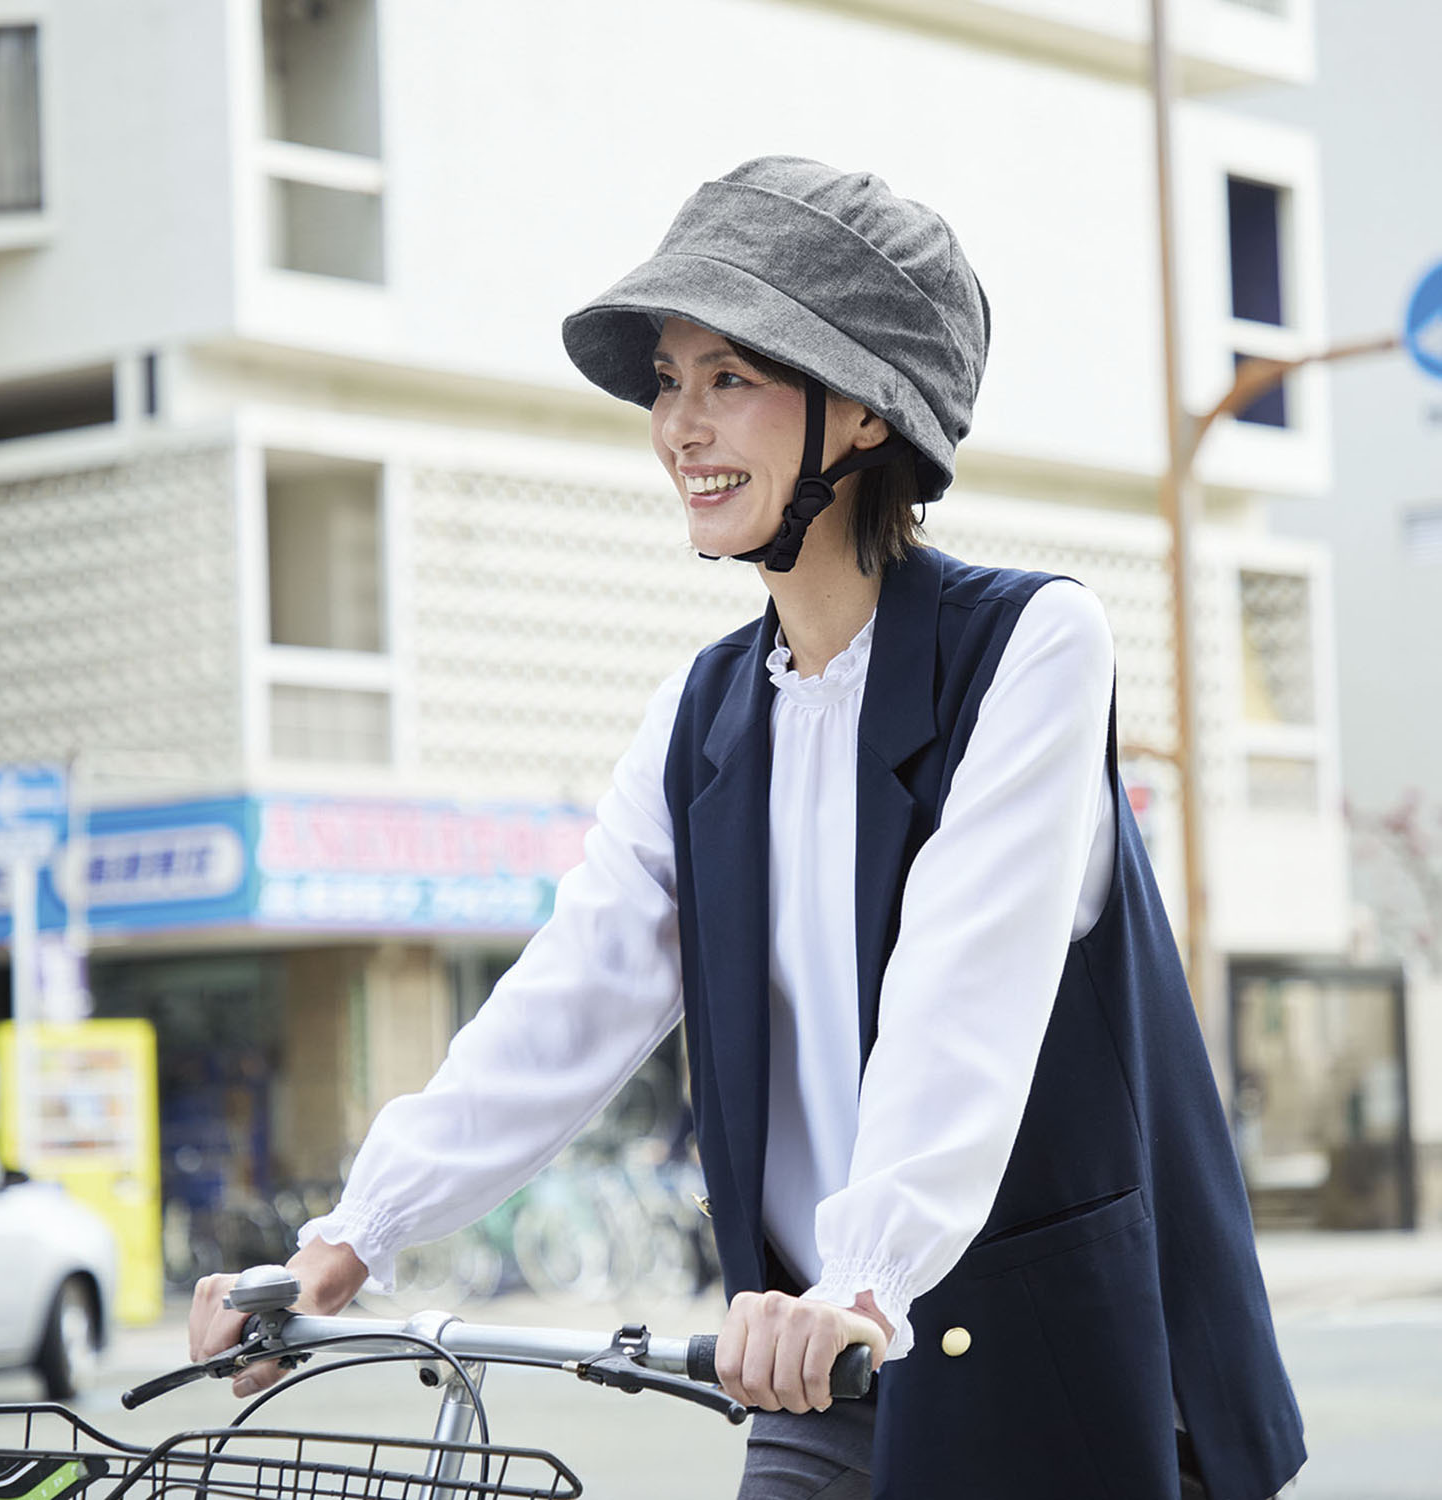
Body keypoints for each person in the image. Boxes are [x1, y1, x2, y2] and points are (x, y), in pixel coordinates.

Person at [191, 157, 1305, 1500]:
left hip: (1030, 1351)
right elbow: (575, 993)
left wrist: (867, 1275)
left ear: (865, 409)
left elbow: (962, 997)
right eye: (668, 382)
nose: (680, 426)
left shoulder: (1031, 647)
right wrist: (354, 1233)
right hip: (813, 1359)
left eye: (730, 377)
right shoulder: (705, 713)